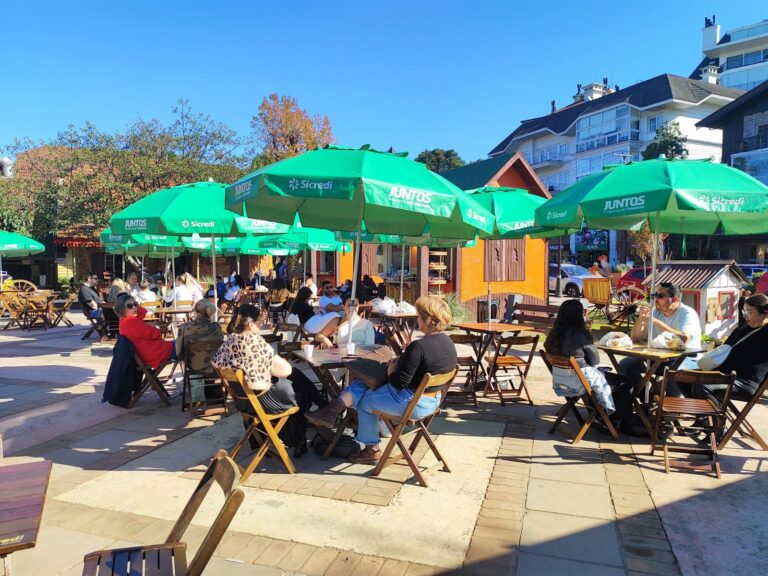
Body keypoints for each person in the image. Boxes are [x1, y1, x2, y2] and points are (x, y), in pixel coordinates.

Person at [306, 296, 457, 464]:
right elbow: (426, 366)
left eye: (419, 316)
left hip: (413, 403)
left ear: (427, 319)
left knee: (364, 401)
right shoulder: (448, 342)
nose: (417, 319)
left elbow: (398, 383)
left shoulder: (419, 346)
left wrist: (392, 370)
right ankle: (334, 409)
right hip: (433, 401)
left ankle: (370, 448)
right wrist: (402, 361)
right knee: (365, 383)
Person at [212, 304, 323, 456]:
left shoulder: (228, 343)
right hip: (262, 401)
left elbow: (216, 362)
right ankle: (301, 437)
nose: (261, 324)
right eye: (259, 321)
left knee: (297, 382)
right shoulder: (254, 342)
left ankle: (264, 440)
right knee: (299, 391)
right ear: (251, 324)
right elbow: (286, 370)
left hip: (244, 402)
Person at [543, 299, 633, 428]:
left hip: (563, 381)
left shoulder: (553, 334)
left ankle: (601, 414)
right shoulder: (581, 335)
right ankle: (616, 419)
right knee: (625, 382)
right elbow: (595, 360)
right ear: (579, 316)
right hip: (580, 381)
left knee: (611, 380)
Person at [619, 281, 702, 396]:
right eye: (654, 295)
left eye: (660, 296)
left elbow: (683, 339)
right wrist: (641, 320)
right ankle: (645, 398)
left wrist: (656, 322)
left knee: (674, 374)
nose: (656, 299)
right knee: (626, 364)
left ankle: (670, 406)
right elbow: (635, 338)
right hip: (659, 359)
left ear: (675, 299)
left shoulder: (687, 313)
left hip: (685, 359)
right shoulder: (655, 312)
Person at [691, 294, 768, 403]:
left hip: (743, 382)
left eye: (749, 312)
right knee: (683, 380)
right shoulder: (743, 328)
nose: (745, 316)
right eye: (744, 312)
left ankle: (712, 413)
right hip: (724, 375)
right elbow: (726, 348)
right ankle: (709, 411)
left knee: (702, 387)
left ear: (765, 313)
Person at [176, 299, 225, 399]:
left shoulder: (185, 328)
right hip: (214, 368)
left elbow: (179, 352)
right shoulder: (217, 328)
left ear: (195, 311)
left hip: (194, 368)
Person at [115, 293, 176, 368]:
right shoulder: (132, 322)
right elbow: (155, 334)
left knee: (181, 342)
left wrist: (136, 305)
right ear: (122, 309)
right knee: (185, 343)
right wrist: (156, 328)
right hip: (155, 353)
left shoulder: (124, 322)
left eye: (135, 304)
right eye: (130, 306)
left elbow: (143, 312)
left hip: (146, 354)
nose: (134, 307)